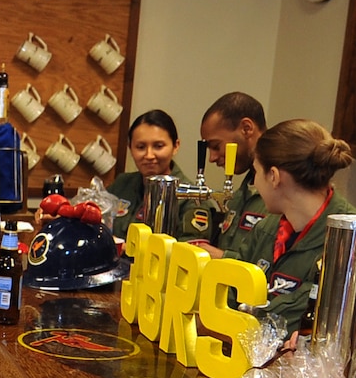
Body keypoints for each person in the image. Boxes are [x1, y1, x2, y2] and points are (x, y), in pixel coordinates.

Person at [237, 120, 356, 334]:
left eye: (256, 172)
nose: (254, 183)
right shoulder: (266, 228)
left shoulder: (350, 241)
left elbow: (306, 314)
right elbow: (232, 286)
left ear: (273, 176)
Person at [106, 109, 200, 242]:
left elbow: (189, 253)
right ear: (130, 148)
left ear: (175, 146)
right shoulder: (122, 184)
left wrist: (125, 248)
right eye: (140, 147)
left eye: (158, 146)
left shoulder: (192, 198)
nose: (149, 155)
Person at [193, 92, 268, 257]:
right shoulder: (244, 191)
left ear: (246, 128)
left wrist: (220, 257)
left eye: (216, 146)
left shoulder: (280, 191)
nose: (212, 158)